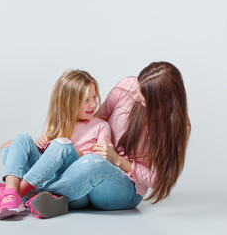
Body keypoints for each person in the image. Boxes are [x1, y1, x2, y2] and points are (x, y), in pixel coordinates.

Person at [23, 61, 191, 215]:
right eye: (137, 90)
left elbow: (161, 180)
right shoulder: (128, 86)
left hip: (124, 189)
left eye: (141, 98)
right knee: (20, 144)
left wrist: (117, 160)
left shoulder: (179, 128)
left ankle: (24, 192)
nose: (134, 97)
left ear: (160, 102)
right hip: (87, 174)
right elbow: (95, 121)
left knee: (92, 164)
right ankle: (54, 199)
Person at [0, 69, 111, 219]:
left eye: (95, 97)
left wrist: (67, 148)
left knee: (63, 146)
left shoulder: (100, 126)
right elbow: (47, 164)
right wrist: (42, 146)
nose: (94, 104)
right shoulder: (61, 125)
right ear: (68, 103)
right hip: (48, 179)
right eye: (86, 100)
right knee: (19, 141)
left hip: (76, 187)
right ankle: (12, 193)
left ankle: (11, 194)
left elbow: (99, 165)